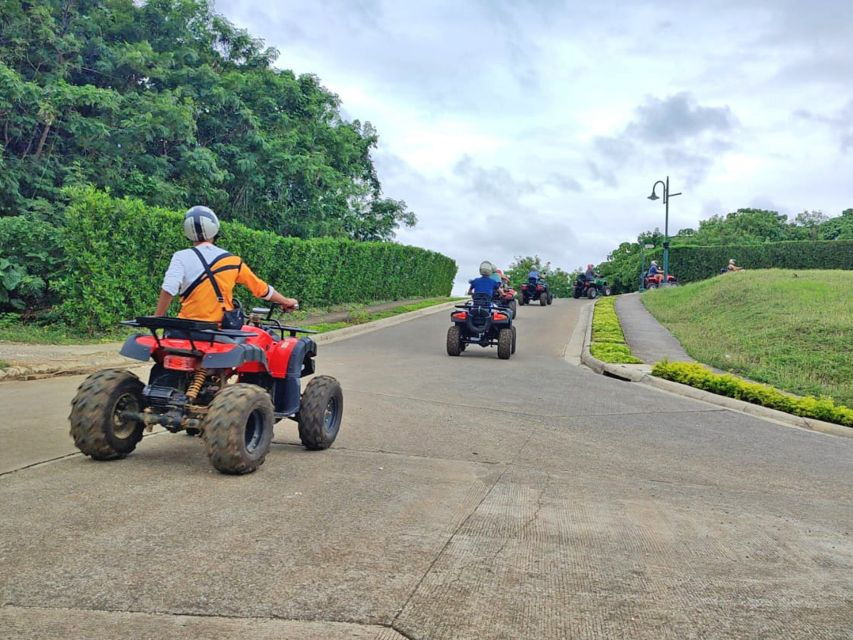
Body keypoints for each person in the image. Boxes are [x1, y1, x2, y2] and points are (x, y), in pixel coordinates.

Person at [155, 206, 298, 323]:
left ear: (187, 232)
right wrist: (285, 301)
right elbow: (261, 289)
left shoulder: (180, 256)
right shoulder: (232, 261)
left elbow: (169, 288)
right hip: (220, 329)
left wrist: (158, 317)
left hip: (187, 328)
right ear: (214, 227)